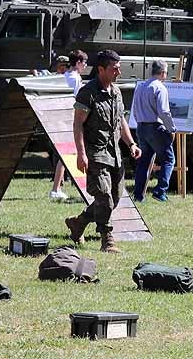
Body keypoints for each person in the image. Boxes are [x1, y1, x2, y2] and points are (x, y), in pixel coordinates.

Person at [65, 50, 141, 253]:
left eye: (118, 68)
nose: (118, 72)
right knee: (104, 196)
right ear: (101, 69)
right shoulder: (88, 92)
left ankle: (78, 222)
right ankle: (107, 240)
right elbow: (78, 123)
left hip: (114, 153)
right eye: (114, 69)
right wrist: (81, 153)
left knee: (113, 199)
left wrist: (131, 143)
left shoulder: (116, 92)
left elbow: (121, 120)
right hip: (95, 153)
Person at [132, 59, 176, 202]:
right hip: (154, 127)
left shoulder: (140, 87)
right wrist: (171, 129)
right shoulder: (160, 88)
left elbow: (135, 109)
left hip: (141, 126)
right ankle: (160, 191)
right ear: (163, 73)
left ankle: (138, 195)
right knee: (169, 159)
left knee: (144, 162)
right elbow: (164, 112)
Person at [49, 50, 89, 201]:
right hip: (71, 119)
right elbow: (77, 100)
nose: (85, 66)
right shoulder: (75, 78)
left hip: (62, 117)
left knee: (66, 154)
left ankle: (57, 187)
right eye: (84, 63)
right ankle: (56, 189)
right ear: (78, 62)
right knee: (67, 154)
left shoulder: (65, 76)